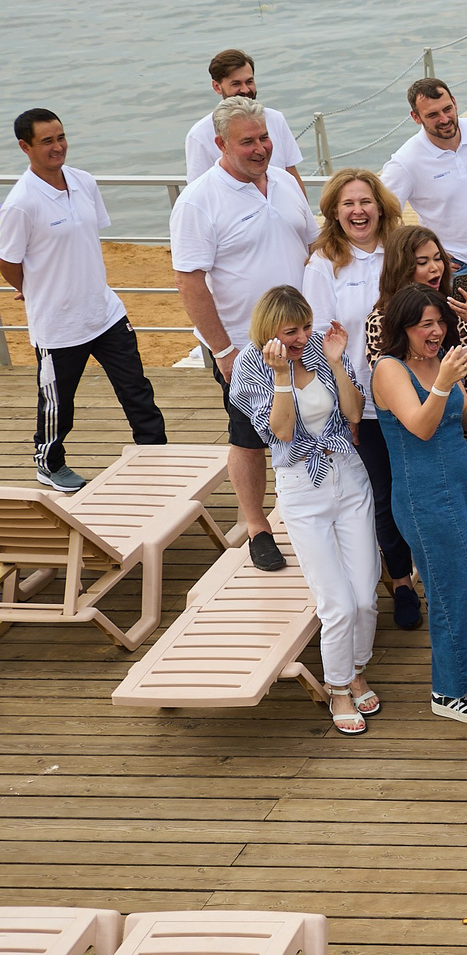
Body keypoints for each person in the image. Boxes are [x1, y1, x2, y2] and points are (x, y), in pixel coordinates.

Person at [171, 95, 318, 568]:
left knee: (317, 421)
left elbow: (313, 246)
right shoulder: (198, 201)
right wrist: (224, 349)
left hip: (307, 336)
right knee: (250, 437)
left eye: (264, 138)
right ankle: (257, 526)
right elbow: (189, 280)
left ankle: (316, 509)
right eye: (248, 142)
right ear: (221, 144)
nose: (261, 149)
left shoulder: (284, 182)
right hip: (246, 347)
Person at [228, 287, 378, 735]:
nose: (301, 337)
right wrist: (280, 377)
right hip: (301, 486)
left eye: (306, 327)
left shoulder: (318, 348)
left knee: (366, 595)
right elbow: (281, 431)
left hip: (348, 475)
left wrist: (334, 359)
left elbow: (355, 412)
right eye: (290, 330)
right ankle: (336, 687)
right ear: (268, 329)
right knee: (336, 602)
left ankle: (355, 668)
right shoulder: (251, 366)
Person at [5, 109, 165, 492]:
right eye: (47, 141)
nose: (58, 146)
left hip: (105, 313)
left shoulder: (84, 182)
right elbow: (8, 261)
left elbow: (89, 238)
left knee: (138, 392)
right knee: (60, 407)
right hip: (59, 326)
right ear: (25, 147)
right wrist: (32, 287)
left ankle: (157, 455)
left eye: (61, 137)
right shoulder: (21, 203)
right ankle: (49, 462)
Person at [371, 280, 467, 724]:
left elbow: (459, 416)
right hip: (425, 494)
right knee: (453, 587)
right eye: (425, 324)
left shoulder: (439, 364)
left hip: (464, 483)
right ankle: (449, 690)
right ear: (403, 328)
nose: (436, 331)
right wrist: (446, 382)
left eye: (440, 323)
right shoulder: (389, 370)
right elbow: (421, 426)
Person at [299, 168, 412, 623]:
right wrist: (343, 403)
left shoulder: (399, 254)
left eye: (364, 201)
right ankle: (401, 580)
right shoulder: (323, 264)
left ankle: (431, 571)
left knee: (415, 487)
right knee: (382, 493)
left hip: (409, 392)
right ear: (334, 212)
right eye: (347, 204)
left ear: (380, 206)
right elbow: (320, 340)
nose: (358, 210)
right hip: (360, 403)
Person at [372, 222, 467, 560]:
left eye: (438, 258)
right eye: (422, 261)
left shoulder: (460, 306)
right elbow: (393, 384)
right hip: (433, 448)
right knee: (456, 556)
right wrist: (445, 382)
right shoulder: (385, 318)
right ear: (402, 266)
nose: (434, 267)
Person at [379, 78, 467, 294]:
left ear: (455, 102)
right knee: (464, 327)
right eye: (432, 115)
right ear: (415, 117)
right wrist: (425, 254)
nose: (444, 119)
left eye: (447, 109)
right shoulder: (405, 162)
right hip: (461, 268)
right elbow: (382, 216)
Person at [183, 48, 303, 182]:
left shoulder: (276, 119)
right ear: (217, 87)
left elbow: (292, 175)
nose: (245, 89)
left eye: (249, 82)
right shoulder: (199, 135)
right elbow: (200, 188)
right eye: (236, 84)